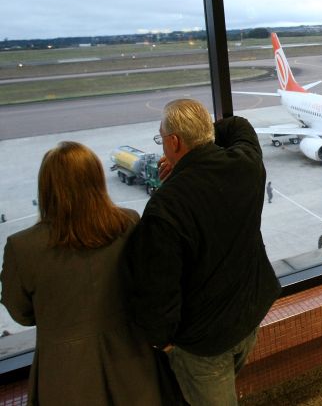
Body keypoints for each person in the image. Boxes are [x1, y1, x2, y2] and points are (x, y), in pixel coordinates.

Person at [124, 99, 281, 405]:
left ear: (174, 142)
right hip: (249, 316)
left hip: (205, 342)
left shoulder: (166, 206)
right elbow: (240, 126)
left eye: (162, 139)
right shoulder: (246, 164)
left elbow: (157, 289)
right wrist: (201, 140)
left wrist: (165, 343)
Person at [1, 142, 163, 405]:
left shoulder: (22, 247)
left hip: (64, 375)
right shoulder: (129, 223)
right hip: (131, 362)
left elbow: (20, 313)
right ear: (97, 181)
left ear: (47, 187)